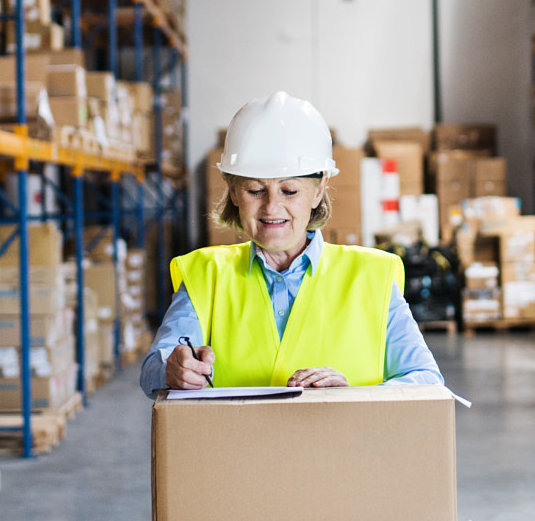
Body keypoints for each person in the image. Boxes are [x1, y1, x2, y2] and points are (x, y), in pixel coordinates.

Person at [139, 91, 445, 394]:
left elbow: (426, 379)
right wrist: (171, 368)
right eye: (255, 191)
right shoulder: (204, 275)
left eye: (289, 191)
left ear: (318, 190)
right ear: (233, 192)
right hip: (235, 444)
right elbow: (155, 367)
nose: (271, 208)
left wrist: (353, 395)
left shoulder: (371, 276)